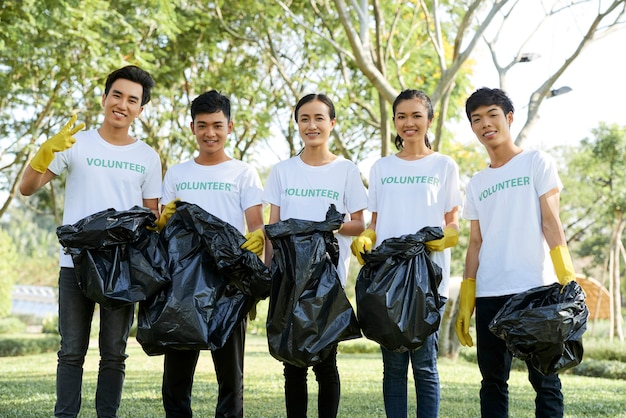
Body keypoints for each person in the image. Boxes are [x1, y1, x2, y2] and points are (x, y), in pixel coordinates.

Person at [19, 65, 162, 418]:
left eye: (133, 100)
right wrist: (44, 153)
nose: (122, 105)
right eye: (117, 95)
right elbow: (26, 188)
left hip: (121, 270)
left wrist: (164, 220)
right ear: (104, 98)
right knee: (71, 351)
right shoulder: (75, 143)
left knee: (114, 353)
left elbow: (151, 219)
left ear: (141, 110)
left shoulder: (147, 156)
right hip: (75, 264)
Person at [455, 87, 576, 418]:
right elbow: (475, 241)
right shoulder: (477, 182)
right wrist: (468, 294)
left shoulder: (537, 162)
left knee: (546, 379)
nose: (485, 124)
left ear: (509, 118)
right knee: (492, 382)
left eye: (492, 115)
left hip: (536, 289)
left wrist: (566, 275)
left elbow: (551, 222)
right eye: (476, 119)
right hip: (491, 292)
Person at [351, 89, 462, 417]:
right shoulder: (381, 167)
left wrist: (447, 237)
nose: (409, 122)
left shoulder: (444, 165)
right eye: (402, 116)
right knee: (394, 368)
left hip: (428, 278)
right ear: (395, 121)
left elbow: (453, 222)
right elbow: (375, 221)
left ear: (430, 120)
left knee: (426, 366)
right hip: (387, 281)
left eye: (416, 115)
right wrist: (366, 239)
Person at [156, 90, 265, 418]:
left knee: (230, 378)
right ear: (192, 128)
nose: (210, 133)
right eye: (202, 125)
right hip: (183, 287)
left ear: (230, 127)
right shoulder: (177, 173)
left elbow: (256, 228)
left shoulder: (244, 173)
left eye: (217, 125)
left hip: (229, 286)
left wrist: (252, 289)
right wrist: (161, 220)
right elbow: (164, 231)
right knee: (176, 379)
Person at [263, 93, 368, 418]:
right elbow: (273, 227)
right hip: (289, 280)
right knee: (292, 364)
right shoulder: (282, 171)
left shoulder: (345, 170)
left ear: (332, 124)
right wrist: (265, 277)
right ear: (297, 124)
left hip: (327, 282)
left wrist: (328, 228)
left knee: (326, 363)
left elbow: (360, 224)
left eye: (319, 118)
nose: (312, 125)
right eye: (305, 119)